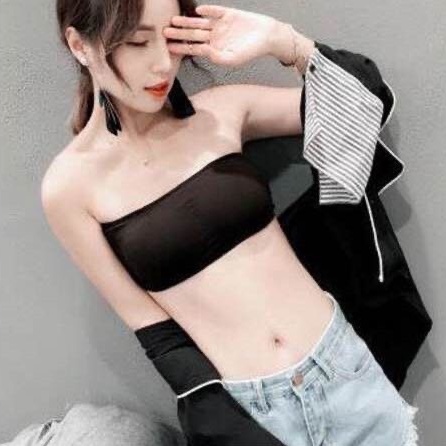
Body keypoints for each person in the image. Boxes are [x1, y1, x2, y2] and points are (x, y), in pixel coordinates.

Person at [41, 1, 419, 445]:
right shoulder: (69, 188)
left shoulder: (221, 111)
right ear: (79, 45)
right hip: (254, 414)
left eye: (172, 39)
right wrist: (229, 427)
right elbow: (155, 332)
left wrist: (284, 42)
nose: (163, 63)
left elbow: (363, 108)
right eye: (139, 42)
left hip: (346, 374)